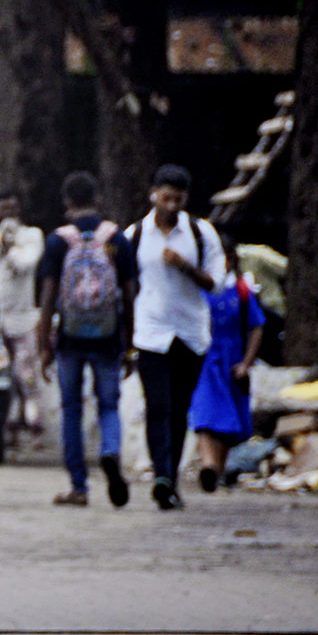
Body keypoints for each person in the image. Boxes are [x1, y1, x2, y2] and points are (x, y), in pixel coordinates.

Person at [34, 170, 140, 508]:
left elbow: (49, 297)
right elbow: (129, 293)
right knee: (109, 404)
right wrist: (130, 342)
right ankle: (110, 451)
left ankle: (79, 486)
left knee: (71, 410)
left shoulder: (58, 241)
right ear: (97, 199)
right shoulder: (116, 239)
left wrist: (43, 345)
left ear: (67, 202)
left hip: (70, 338)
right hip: (109, 337)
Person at [127, 163, 228, 509]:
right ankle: (163, 476)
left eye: (178, 199)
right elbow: (126, 285)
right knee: (157, 405)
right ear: (153, 194)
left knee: (179, 407)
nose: (171, 205)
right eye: (166, 197)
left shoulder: (202, 234)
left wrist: (186, 266)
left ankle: (170, 476)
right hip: (151, 333)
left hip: (190, 334)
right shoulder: (135, 235)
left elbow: (217, 285)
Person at [190, 237, 267, 493]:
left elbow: (256, 327)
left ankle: (215, 472)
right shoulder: (199, 290)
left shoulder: (242, 292)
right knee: (204, 414)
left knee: (227, 422)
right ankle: (208, 464)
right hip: (205, 361)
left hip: (232, 363)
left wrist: (246, 363)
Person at [0, 191, 44, 449]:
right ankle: (9, 426)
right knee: (0, 376)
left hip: (24, 318)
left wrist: (11, 247)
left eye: (12, 209)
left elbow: (25, 265)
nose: (8, 215)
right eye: (3, 209)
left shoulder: (31, 237)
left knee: (26, 374)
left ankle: (36, 425)